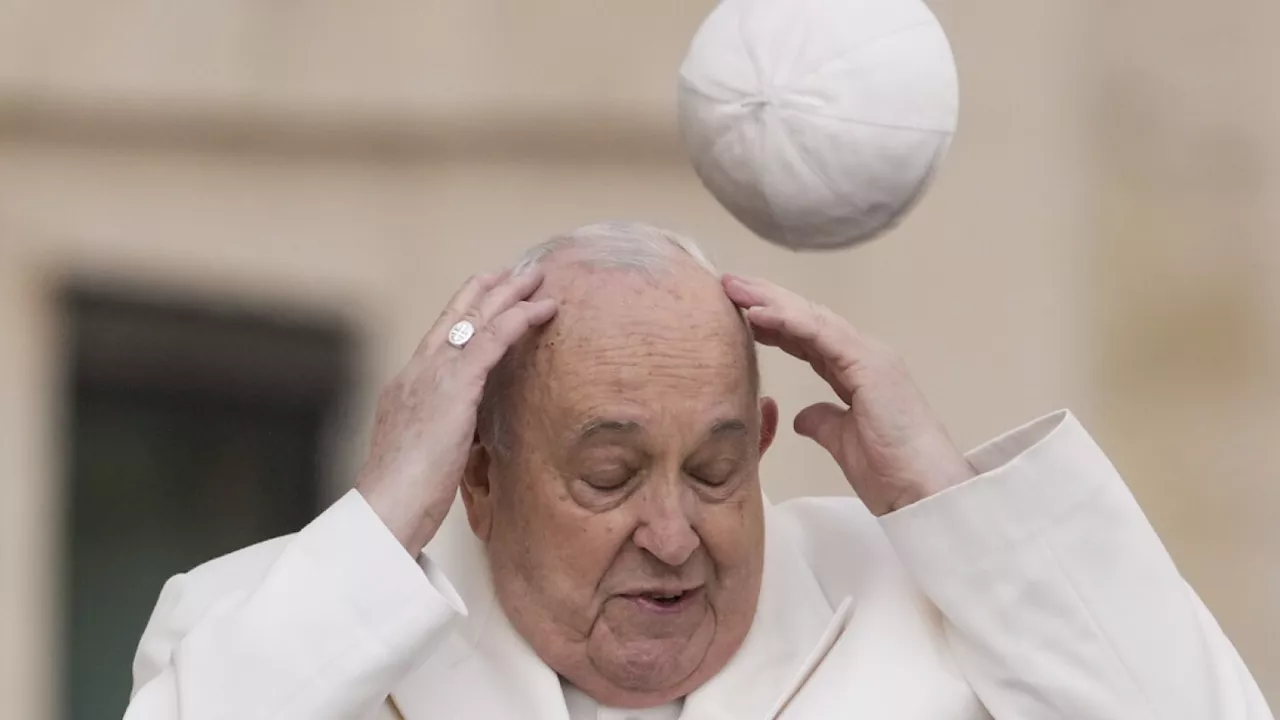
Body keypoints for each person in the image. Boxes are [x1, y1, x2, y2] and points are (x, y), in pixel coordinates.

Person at [123, 222, 1272, 720]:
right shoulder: (265, 627)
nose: (673, 535)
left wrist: (950, 502)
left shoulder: (939, 607)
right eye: (609, 478)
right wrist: (378, 530)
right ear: (475, 479)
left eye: (717, 472)